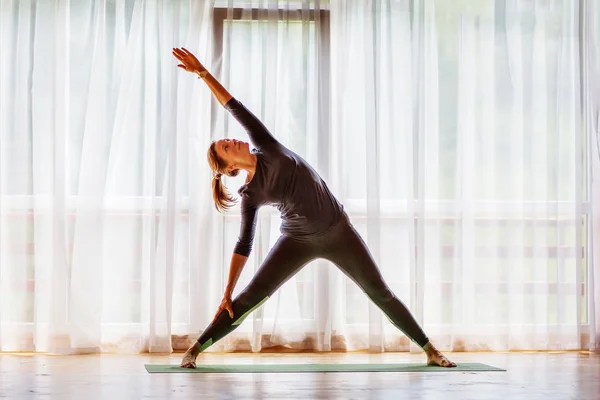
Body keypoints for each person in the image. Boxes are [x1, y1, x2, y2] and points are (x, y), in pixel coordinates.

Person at [172, 47, 456, 369]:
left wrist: (204, 74)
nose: (232, 141)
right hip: (296, 241)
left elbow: (233, 106)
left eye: (228, 138)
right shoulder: (251, 194)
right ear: (228, 168)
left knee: (380, 293)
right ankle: (193, 350)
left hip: (338, 232)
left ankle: (431, 350)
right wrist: (227, 290)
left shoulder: (265, 144)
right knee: (249, 299)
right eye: (226, 147)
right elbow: (244, 244)